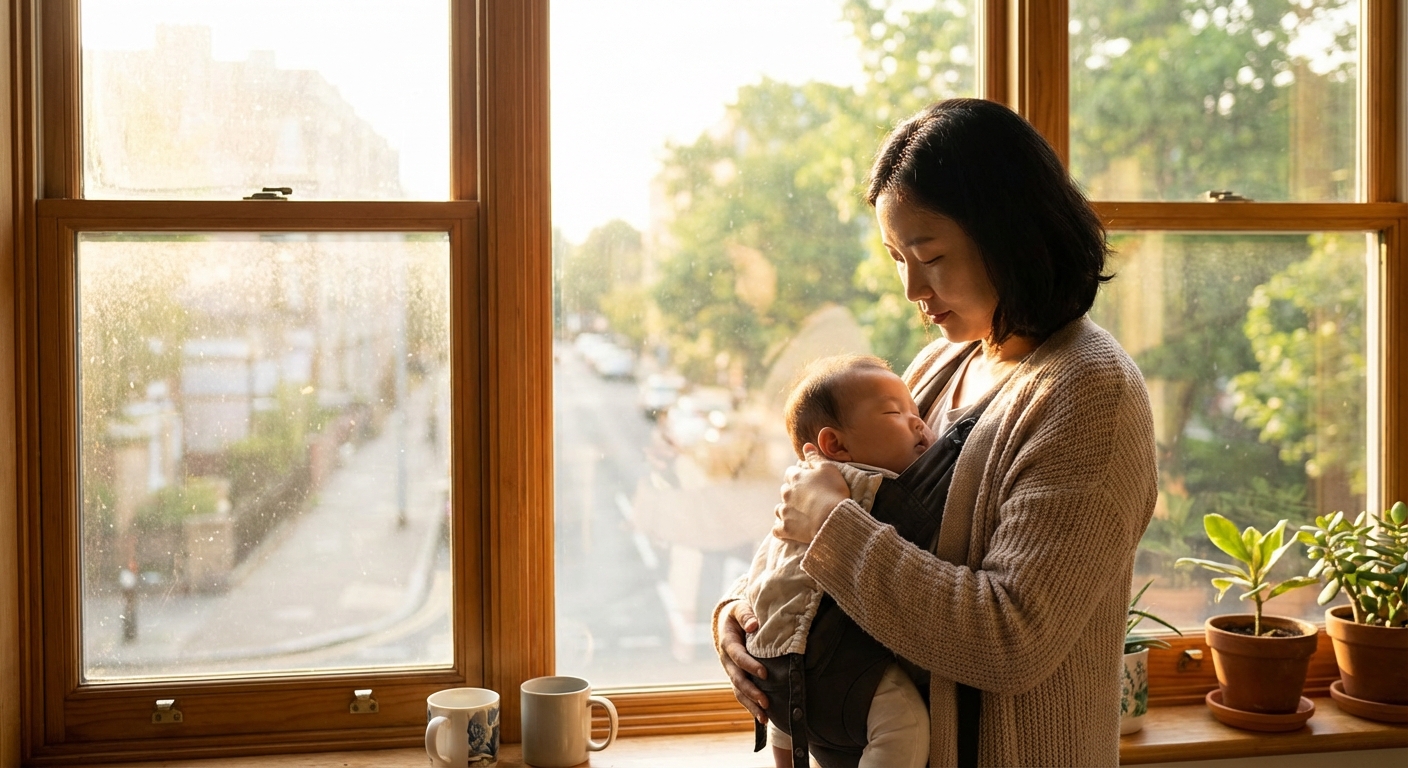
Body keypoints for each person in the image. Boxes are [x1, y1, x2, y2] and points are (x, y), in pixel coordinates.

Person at [713, 98, 1158, 767]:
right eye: (897, 257)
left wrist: (833, 531)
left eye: (932, 255)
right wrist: (744, 615)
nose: (912, 288)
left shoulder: (1090, 394)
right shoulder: (938, 363)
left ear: (1012, 233)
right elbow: (833, 505)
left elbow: (1012, 640)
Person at [743, 354, 935, 768]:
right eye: (894, 413)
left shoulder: (805, 489)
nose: (918, 423)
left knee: (788, 715)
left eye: (918, 413)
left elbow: (768, 564)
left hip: (774, 664)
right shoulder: (868, 487)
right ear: (836, 445)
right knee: (905, 727)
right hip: (834, 669)